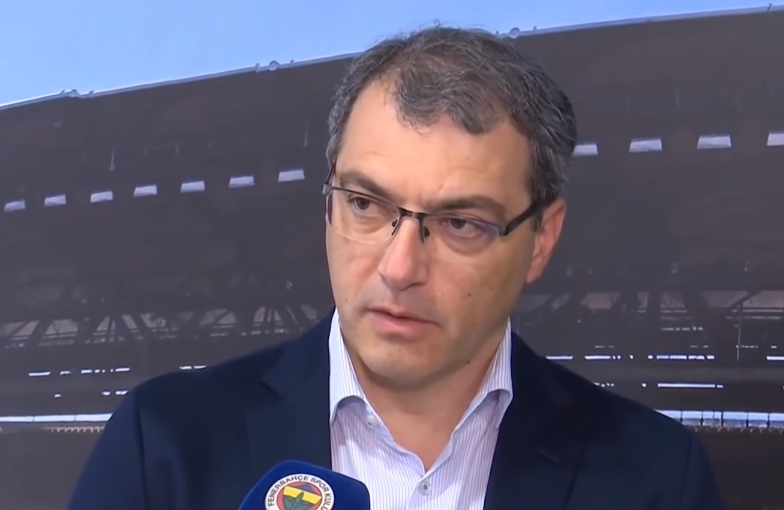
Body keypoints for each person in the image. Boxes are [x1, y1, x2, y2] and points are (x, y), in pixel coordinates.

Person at [68, 27, 725, 510]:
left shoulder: (658, 479)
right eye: (365, 204)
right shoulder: (165, 446)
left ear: (541, 239)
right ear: (328, 202)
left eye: (460, 223)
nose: (400, 265)